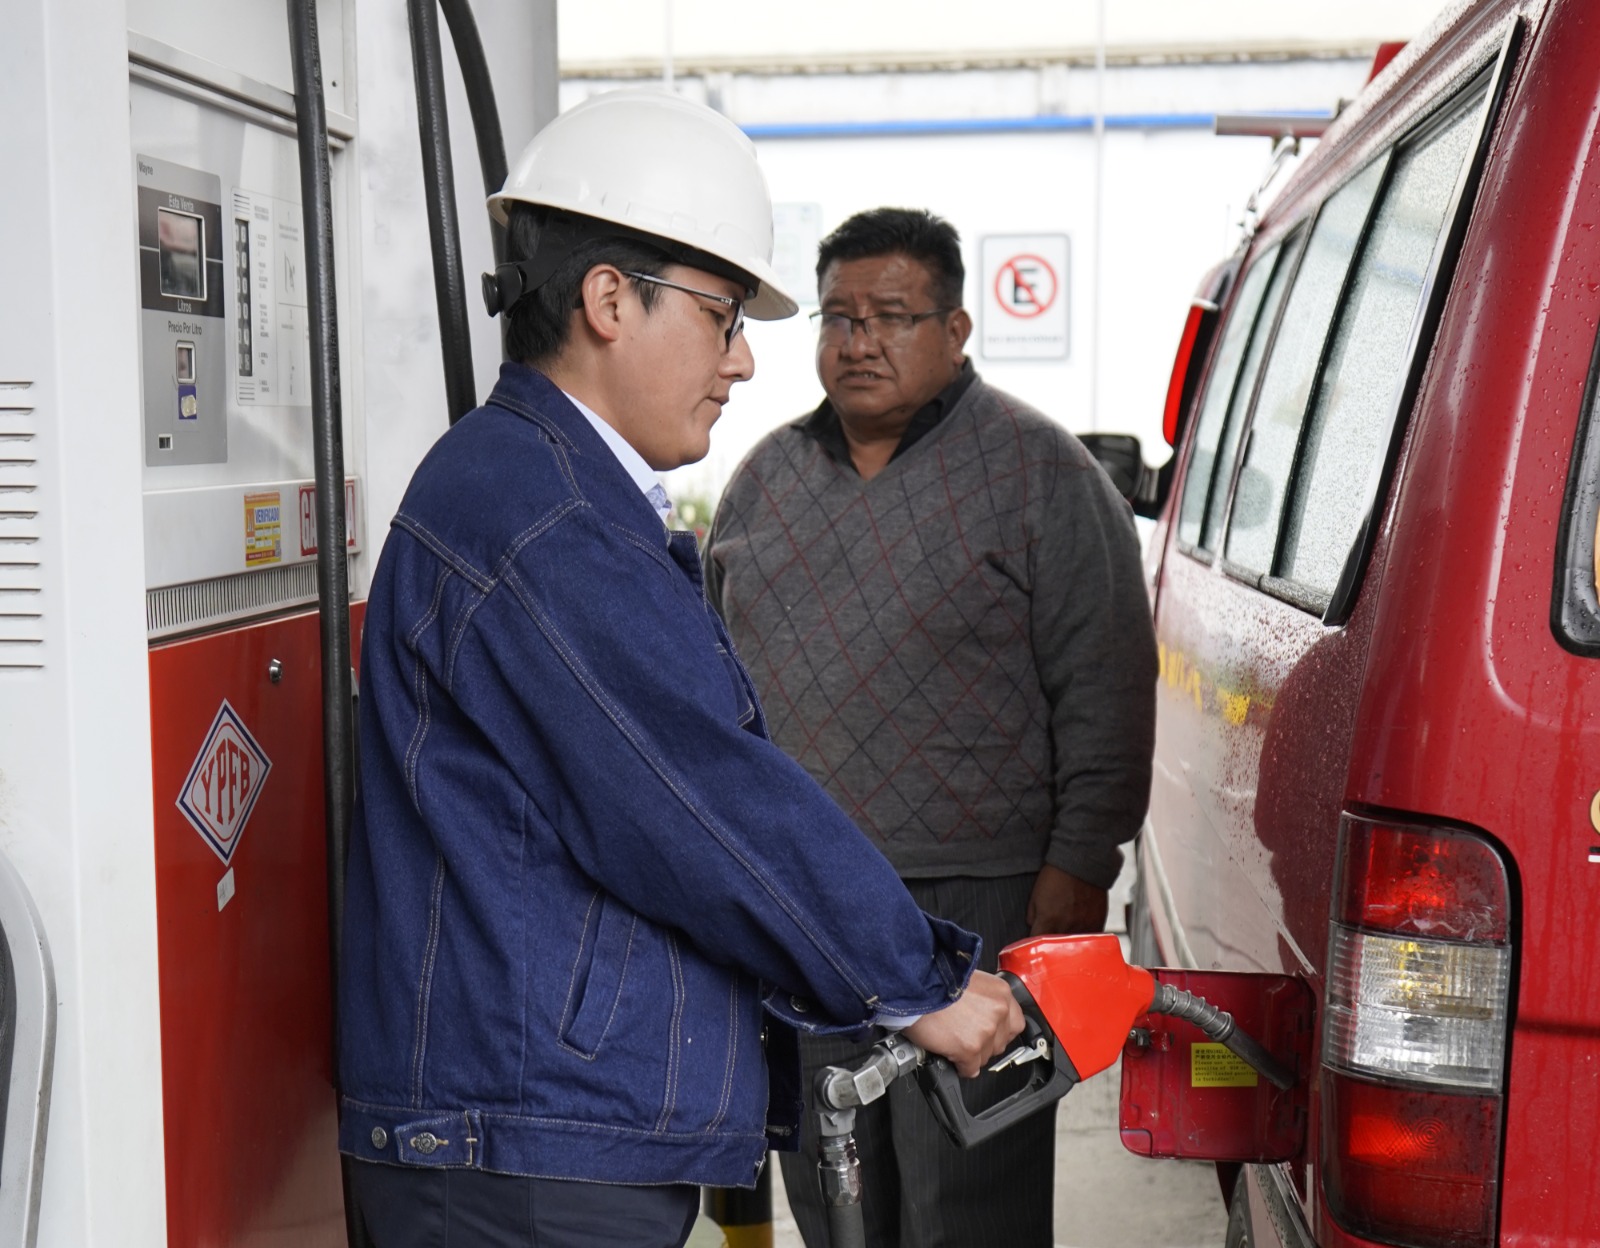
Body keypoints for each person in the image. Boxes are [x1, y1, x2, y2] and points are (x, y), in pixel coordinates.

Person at [336, 95, 1024, 1248]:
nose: (747, 360)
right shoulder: (545, 518)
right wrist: (919, 980)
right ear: (610, 300)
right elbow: (699, 797)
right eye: (721, 318)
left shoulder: (551, 491)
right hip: (523, 1152)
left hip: (537, 1131)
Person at [705, 207, 1158, 1247]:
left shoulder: (1039, 472)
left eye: (891, 316)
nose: (858, 341)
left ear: (955, 330)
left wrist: (1080, 861)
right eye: (838, 317)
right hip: (808, 896)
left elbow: (1105, 679)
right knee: (833, 1174)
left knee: (973, 1179)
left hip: (983, 890)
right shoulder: (763, 479)